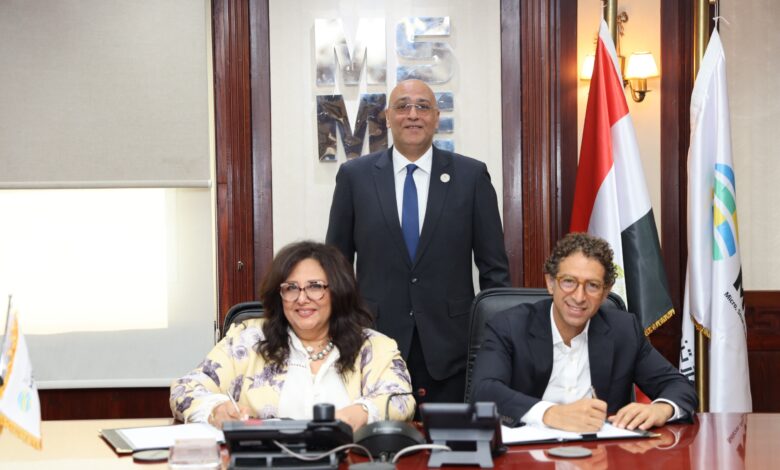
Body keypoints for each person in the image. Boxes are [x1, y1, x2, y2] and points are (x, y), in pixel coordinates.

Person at [326, 79, 510, 405]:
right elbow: (335, 265)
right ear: (387, 116)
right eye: (403, 106)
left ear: (436, 117)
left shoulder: (471, 176)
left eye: (423, 107)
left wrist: (495, 343)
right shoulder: (355, 176)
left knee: (448, 438)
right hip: (373, 343)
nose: (413, 114)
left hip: (451, 349)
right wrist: (339, 332)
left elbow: (494, 270)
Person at [170, 241, 415, 431]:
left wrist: (358, 414)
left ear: (338, 291)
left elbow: (401, 400)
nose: (302, 298)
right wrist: (216, 410)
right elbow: (185, 389)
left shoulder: (373, 346)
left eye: (315, 287)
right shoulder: (248, 340)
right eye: (291, 288)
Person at [471, 232, 697, 432]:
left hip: (600, 455)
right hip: (527, 455)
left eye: (592, 286)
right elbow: (483, 391)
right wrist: (550, 414)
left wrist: (661, 408)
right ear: (550, 283)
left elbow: (679, 386)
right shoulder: (509, 326)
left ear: (605, 292)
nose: (579, 297)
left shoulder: (624, 331)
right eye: (569, 282)